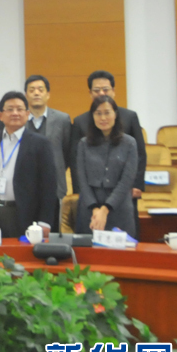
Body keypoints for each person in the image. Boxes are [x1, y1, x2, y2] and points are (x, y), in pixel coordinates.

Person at [70, 71, 146, 232]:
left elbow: (135, 163)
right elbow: (79, 173)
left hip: (119, 205)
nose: (103, 118)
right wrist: (94, 207)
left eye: (107, 113)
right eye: (98, 114)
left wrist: (105, 209)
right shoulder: (83, 139)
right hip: (90, 206)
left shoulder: (129, 138)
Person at [0, 92, 57, 238]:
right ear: (0, 115)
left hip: (26, 213)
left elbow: (49, 185)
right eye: (10, 109)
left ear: (27, 114)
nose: (15, 113)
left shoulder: (41, 143)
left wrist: (45, 221)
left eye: (19, 109)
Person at [24, 75, 72, 228]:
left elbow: (66, 152)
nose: (36, 93)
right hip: (25, 187)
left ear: (48, 94)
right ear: (26, 95)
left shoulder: (62, 119)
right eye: (32, 90)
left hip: (54, 187)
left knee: (52, 232)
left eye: (40, 89)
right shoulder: (19, 119)